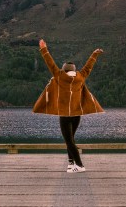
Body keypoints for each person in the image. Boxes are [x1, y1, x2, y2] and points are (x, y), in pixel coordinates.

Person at [32, 39, 104, 173]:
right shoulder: (80, 76)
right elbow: (89, 66)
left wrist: (44, 49)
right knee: (70, 140)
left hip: (65, 115)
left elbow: (50, 63)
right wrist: (94, 54)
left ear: (64, 70)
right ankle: (71, 164)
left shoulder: (59, 76)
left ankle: (80, 165)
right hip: (77, 115)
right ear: (74, 70)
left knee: (69, 141)